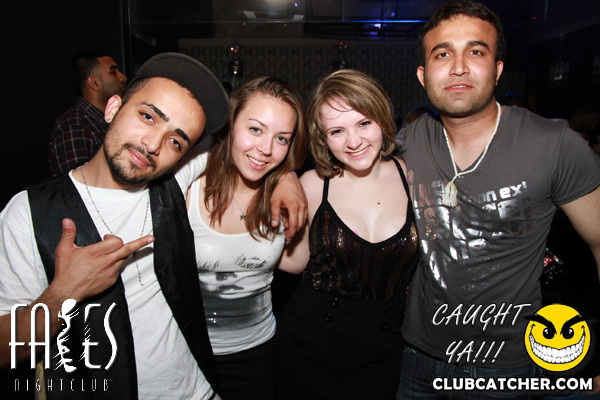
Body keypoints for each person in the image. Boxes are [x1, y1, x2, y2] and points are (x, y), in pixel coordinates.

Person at [0, 53, 307, 400]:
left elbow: (251, 151)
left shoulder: (173, 184)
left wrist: (287, 176)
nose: (152, 145)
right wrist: (63, 294)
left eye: (176, 140)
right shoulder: (30, 213)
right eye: (147, 116)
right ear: (113, 107)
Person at [396, 1, 600, 399]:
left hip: (507, 366)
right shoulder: (407, 143)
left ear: (498, 69)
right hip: (417, 356)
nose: (459, 67)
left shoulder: (554, 144)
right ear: (423, 75)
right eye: (442, 54)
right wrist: (283, 178)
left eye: (476, 51)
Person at [275, 69, 419, 400]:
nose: (353, 142)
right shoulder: (313, 185)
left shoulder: (413, 178)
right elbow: (294, 263)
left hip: (385, 352)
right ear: (323, 138)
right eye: (337, 131)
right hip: (308, 347)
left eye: (364, 123)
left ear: (382, 119)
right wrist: (278, 178)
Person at [186, 76, 307, 399]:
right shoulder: (189, 185)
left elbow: (295, 263)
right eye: (255, 129)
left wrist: (291, 177)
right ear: (230, 123)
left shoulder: (282, 196)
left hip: (256, 354)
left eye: (281, 138)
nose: (266, 149)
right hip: (186, 352)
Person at [48, 50, 127, 177]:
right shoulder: (75, 125)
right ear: (94, 83)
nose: (123, 77)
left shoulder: (111, 120)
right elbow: (79, 183)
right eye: (113, 72)